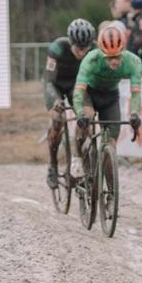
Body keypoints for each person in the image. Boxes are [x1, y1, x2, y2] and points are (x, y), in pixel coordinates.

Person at [72, 21, 142, 156]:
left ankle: (108, 168)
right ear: (101, 53)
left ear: (124, 51)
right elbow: (79, 90)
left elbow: (136, 92)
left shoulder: (134, 62)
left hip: (110, 96)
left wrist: (134, 113)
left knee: (111, 142)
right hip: (90, 93)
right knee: (88, 116)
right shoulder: (91, 59)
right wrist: (80, 113)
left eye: (117, 57)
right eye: (109, 58)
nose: (114, 62)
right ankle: (77, 158)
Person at [43, 19, 96, 189]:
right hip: (56, 85)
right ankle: (52, 165)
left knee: (86, 117)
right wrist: (55, 100)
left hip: (76, 87)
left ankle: (76, 159)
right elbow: (49, 80)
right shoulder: (57, 48)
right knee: (58, 119)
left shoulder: (94, 50)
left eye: (85, 47)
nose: (82, 51)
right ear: (71, 42)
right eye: (78, 48)